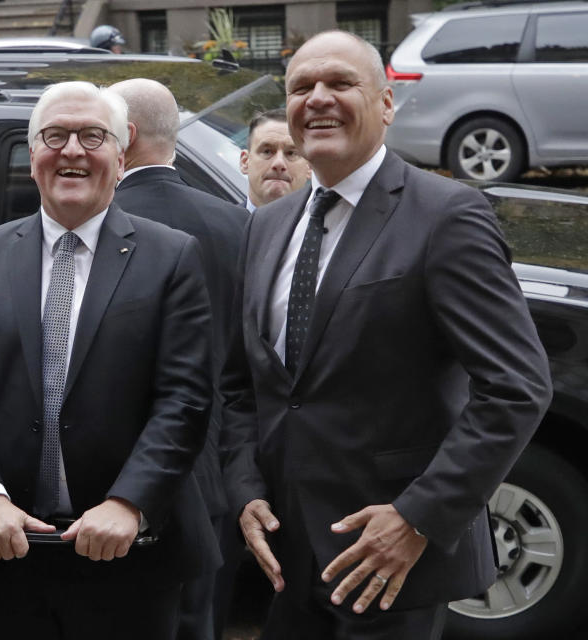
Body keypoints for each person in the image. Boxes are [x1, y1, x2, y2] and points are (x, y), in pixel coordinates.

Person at [220, 30, 552, 639]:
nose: (318, 98)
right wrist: (244, 490)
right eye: (301, 87)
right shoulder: (266, 227)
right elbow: (244, 384)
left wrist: (417, 518)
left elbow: (516, 388)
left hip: (392, 564)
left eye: (341, 84)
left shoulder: (447, 215)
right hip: (287, 561)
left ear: (386, 102)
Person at [0, 81, 219, 640]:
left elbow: (184, 399)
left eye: (92, 136)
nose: (72, 151)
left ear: (121, 151)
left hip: (129, 554)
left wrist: (129, 502)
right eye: (55, 135)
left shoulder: (172, 255)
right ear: (33, 153)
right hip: (7, 552)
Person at [108, 77, 244, 640]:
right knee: (200, 619)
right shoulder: (239, 221)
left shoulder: (97, 225)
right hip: (220, 462)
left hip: (120, 471)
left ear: (128, 134)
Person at [239, 108, 311, 212]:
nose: (279, 163)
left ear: (309, 166)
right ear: (245, 162)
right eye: (267, 151)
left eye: (291, 153)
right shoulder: (216, 226)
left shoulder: (327, 226)